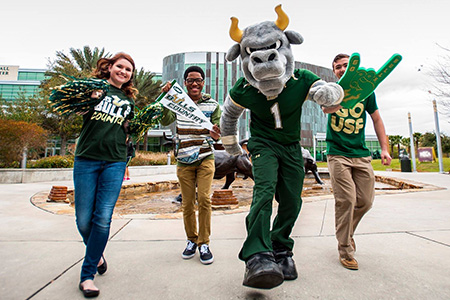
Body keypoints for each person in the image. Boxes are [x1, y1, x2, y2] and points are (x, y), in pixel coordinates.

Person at [73, 53, 137, 297]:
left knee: (102, 218)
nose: (123, 71)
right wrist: (89, 99)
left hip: (115, 161)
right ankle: (97, 255)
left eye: (128, 69)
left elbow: (134, 129)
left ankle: (87, 276)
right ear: (109, 68)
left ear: (131, 76)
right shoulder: (94, 90)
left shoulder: (129, 101)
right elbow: (75, 110)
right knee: (83, 220)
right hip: (86, 159)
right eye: (119, 67)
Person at [322, 53, 392, 270]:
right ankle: (345, 248)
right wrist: (344, 97)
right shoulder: (332, 90)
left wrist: (384, 148)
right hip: (338, 153)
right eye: (337, 67)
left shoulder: (367, 91)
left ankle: (347, 232)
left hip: (360, 154)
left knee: (366, 201)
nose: (342, 69)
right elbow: (326, 108)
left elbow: (377, 119)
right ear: (334, 72)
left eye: (345, 65)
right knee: (347, 200)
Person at [160, 66, 221, 265]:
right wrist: (167, 99)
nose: (194, 83)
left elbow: (218, 131)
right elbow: (165, 120)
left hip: (205, 157)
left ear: (204, 82)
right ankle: (191, 240)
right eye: (190, 80)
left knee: (204, 199)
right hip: (184, 160)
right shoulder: (178, 103)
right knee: (187, 204)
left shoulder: (213, 105)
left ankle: (204, 243)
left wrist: (216, 133)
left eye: (198, 80)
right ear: (184, 83)